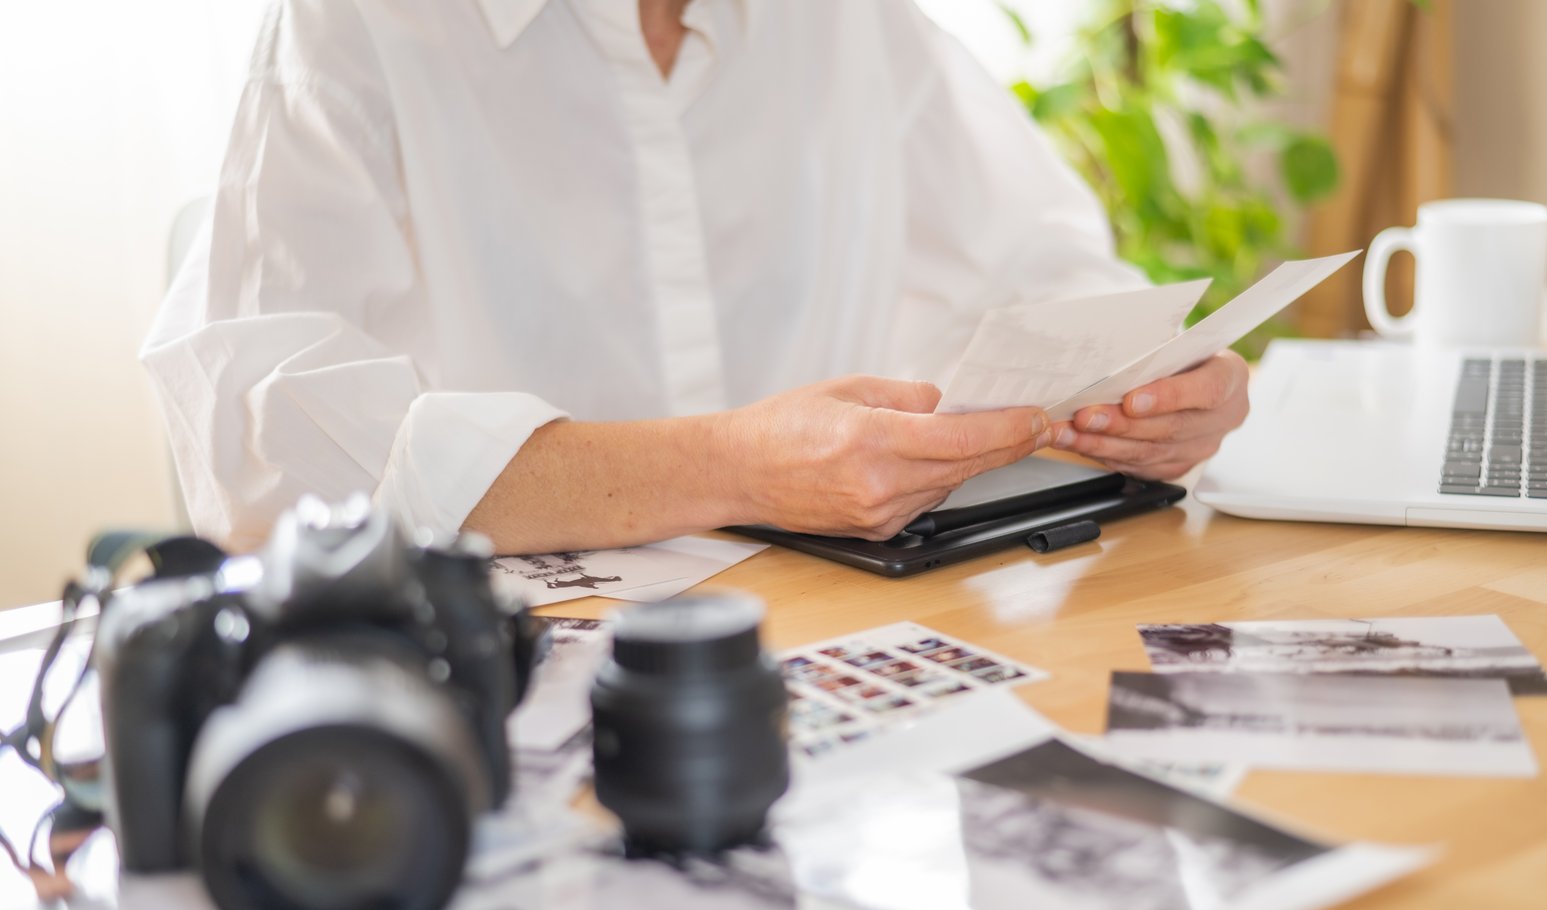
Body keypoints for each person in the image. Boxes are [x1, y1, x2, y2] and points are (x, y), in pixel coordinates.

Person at [141, 0, 1250, 553]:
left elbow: (1037, 266)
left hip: (832, 646)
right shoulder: (362, 24)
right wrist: (730, 468)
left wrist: (1148, 386)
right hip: (500, 679)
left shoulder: (852, 22)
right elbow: (259, 449)